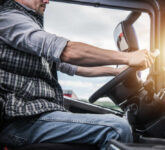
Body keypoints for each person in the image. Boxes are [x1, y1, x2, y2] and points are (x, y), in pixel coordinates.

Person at [0, 0, 154, 149]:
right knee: (117, 128)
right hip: (19, 121)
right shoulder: (8, 18)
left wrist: (116, 71)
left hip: (34, 116)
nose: (47, 1)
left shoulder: (29, 26)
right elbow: (67, 51)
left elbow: (75, 66)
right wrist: (129, 57)